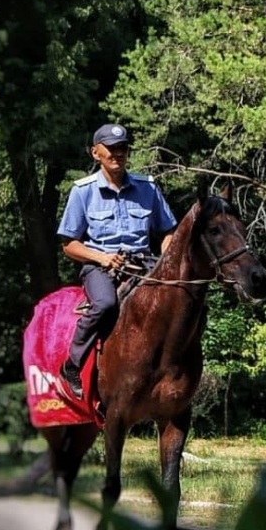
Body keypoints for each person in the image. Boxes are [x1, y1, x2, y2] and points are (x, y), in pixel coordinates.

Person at [56, 123, 178, 398]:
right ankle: (72, 365)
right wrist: (102, 257)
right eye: (110, 149)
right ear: (95, 153)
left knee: (179, 301)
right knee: (106, 303)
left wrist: (165, 261)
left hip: (145, 263)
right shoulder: (83, 191)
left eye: (122, 148)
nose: (117, 153)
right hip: (99, 265)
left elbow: (169, 231)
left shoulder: (148, 187)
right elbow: (69, 245)